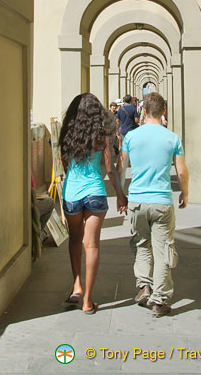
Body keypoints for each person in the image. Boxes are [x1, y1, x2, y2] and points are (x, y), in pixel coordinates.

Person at [117, 91, 189, 317]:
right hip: (161, 201)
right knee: (163, 249)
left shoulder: (131, 138)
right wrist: (185, 193)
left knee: (140, 245)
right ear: (163, 112)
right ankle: (159, 299)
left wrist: (121, 195)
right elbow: (181, 170)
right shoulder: (173, 138)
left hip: (137, 201)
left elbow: (121, 167)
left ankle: (144, 286)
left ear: (143, 112)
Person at [59, 93, 127, 314]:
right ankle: (88, 300)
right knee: (92, 245)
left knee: (75, 240)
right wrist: (120, 194)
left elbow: (65, 164)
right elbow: (109, 169)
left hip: (71, 193)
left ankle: (76, 284)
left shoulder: (67, 134)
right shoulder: (101, 135)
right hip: (95, 193)